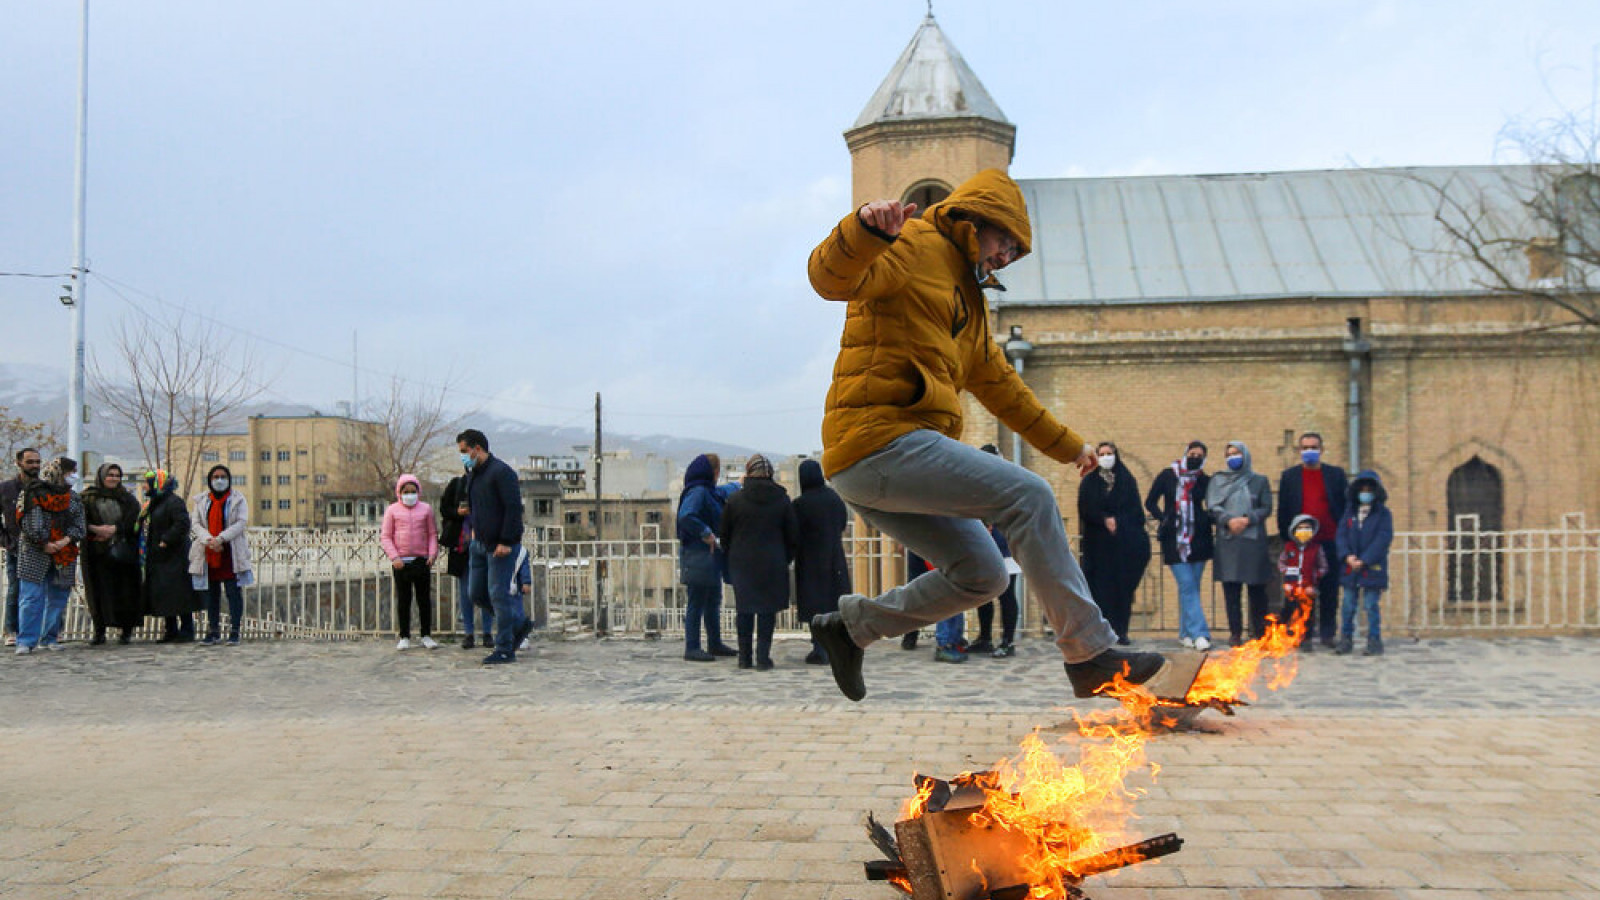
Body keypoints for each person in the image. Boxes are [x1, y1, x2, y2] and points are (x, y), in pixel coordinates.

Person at [804, 167, 1164, 701]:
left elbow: (1003, 387)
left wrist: (1071, 448)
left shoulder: (971, 308)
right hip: (878, 439)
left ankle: (853, 627)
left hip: (894, 462)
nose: (1006, 258)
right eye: (1005, 244)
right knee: (1029, 495)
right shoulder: (915, 243)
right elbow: (830, 280)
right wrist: (863, 230)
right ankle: (1089, 653)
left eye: (1016, 254)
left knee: (983, 574)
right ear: (978, 220)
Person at [457, 429, 532, 665]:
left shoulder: (501, 472)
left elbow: (512, 509)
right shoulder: (474, 474)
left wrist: (507, 541)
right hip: (479, 544)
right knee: (476, 593)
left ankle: (504, 648)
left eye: (464, 451)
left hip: (499, 546)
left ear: (477, 448)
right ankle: (517, 625)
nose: (462, 457)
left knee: (498, 595)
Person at [719, 455, 798, 671]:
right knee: (766, 611)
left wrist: (732, 556)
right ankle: (763, 657)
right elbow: (792, 535)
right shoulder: (782, 500)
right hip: (772, 562)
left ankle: (744, 657)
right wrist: (784, 557)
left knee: (744, 610)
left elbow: (724, 534)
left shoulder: (735, 501)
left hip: (742, 563)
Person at [1276, 433, 1348, 649]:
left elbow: (1343, 507)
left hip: (1329, 540)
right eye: (1305, 447)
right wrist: (1289, 540)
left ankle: (1327, 633)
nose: (1309, 451)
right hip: (1302, 543)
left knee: (1329, 588)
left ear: (1321, 449)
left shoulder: (1335, 475)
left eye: (1314, 447)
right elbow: (1284, 509)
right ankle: (1304, 632)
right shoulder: (1290, 477)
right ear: (1299, 451)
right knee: (1302, 589)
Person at [1076, 442, 1152, 646]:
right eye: (1102, 454)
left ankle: (1121, 630)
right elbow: (1085, 510)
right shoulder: (1090, 482)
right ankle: (1102, 631)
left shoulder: (1126, 481)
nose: (1106, 457)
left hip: (1123, 547)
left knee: (1122, 590)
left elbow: (1135, 512)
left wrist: (1119, 522)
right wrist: (1103, 519)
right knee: (1099, 590)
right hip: (1098, 547)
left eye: (1110, 454)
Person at [1145, 442, 1215, 650]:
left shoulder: (1205, 480)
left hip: (1199, 540)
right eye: (1192, 453)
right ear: (1185, 454)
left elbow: (1212, 504)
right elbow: (1150, 501)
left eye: (1199, 455)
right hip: (1174, 540)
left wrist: (1205, 518)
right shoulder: (1168, 475)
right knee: (1186, 584)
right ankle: (1200, 633)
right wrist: (1164, 518)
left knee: (1192, 587)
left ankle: (1186, 633)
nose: (1195, 457)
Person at [14, 457, 85, 653]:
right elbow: (29, 522)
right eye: (70, 472)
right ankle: (26, 640)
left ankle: (50, 637)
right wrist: (44, 543)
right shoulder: (33, 493)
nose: (73, 476)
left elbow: (79, 525)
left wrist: (64, 541)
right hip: (35, 552)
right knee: (30, 598)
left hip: (65, 553)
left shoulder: (73, 498)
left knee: (58, 598)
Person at [1206, 442, 1274, 646]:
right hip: (1228, 542)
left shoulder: (1259, 481)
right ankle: (1235, 633)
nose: (1233, 457)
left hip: (1252, 541)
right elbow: (1212, 507)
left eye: (1236, 453)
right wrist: (1228, 520)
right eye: (1229, 454)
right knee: (1231, 590)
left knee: (1256, 590)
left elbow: (1266, 507)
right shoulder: (1218, 481)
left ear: (1245, 455)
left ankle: (1259, 632)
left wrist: (1246, 519)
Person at [676, 454, 737, 662]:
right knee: (697, 601)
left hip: (708, 557)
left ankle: (714, 642)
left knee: (712, 600)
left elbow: (722, 491)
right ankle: (692, 646)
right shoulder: (699, 492)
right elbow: (686, 516)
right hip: (698, 555)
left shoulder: (707, 491)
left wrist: (739, 484)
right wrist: (706, 533)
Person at [791, 459, 850, 666]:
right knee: (832, 604)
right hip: (835, 558)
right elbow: (842, 523)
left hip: (810, 562)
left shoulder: (800, 504)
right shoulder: (834, 499)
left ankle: (819, 648)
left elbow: (793, 533)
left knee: (815, 606)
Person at [190, 465, 254, 646]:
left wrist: (221, 539)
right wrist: (210, 539)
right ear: (210, 479)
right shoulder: (202, 500)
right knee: (212, 594)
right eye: (216, 476)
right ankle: (213, 631)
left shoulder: (237, 499)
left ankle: (234, 630)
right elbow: (196, 523)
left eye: (223, 476)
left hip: (230, 551)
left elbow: (241, 523)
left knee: (233, 593)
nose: (219, 480)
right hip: (209, 551)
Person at [80, 463, 143, 645]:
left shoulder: (127, 499)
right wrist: (95, 529)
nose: (114, 478)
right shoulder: (87, 498)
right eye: (110, 475)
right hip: (95, 553)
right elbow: (77, 520)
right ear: (101, 476)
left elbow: (135, 522)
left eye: (117, 475)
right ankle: (99, 631)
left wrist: (116, 529)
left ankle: (126, 631)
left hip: (123, 554)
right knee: (98, 592)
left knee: (125, 591)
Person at [968, 444, 1021, 658]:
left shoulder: (1009, 483)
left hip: (1005, 546)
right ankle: (985, 638)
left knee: (1007, 595)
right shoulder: (976, 484)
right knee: (984, 595)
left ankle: (1008, 640)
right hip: (982, 545)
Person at [1336, 470, 1393, 656]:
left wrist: (1365, 559)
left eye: (1370, 489)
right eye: (1363, 489)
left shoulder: (1383, 514)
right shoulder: (1350, 512)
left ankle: (1374, 640)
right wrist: (1347, 556)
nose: (1366, 492)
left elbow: (1383, 539)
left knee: (1370, 605)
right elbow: (1341, 535)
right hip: (1350, 567)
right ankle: (1346, 639)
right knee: (1348, 605)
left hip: (1372, 568)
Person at [382, 474, 439, 651]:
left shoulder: (426, 509)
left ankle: (426, 635)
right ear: (399, 492)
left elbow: (432, 533)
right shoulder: (392, 510)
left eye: (413, 491)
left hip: (421, 561)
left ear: (418, 492)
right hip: (401, 563)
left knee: (424, 600)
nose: (409, 495)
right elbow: (386, 536)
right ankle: (404, 635)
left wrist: (432, 554)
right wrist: (394, 557)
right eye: (406, 492)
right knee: (404, 600)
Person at [139, 470, 195, 643]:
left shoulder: (173, 502)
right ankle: (170, 630)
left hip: (174, 556)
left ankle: (186, 631)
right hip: (160, 557)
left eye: (147, 482)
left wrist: (166, 539)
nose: (143, 486)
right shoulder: (155, 502)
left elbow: (182, 523)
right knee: (165, 596)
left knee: (179, 595)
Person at [2, 447, 43, 646]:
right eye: (30, 462)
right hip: (16, 547)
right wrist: (6, 541)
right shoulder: (6, 489)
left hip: (43, 548)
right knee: (15, 589)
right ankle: (11, 630)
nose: (35, 465)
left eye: (37, 462)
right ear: (19, 463)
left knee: (47, 590)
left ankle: (50, 630)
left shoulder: (46, 488)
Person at [1277, 514, 1327, 642]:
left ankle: (1306, 639)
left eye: (1307, 528)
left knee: (1308, 614)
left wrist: (1315, 577)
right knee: (1287, 610)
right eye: (1300, 528)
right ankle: (1277, 634)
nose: (1304, 531)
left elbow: (1323, 567)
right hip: (1292, 588)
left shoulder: (1316, 548)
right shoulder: (1289, 547)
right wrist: (1286, 574)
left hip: (1308, 588)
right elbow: (1281, 563)